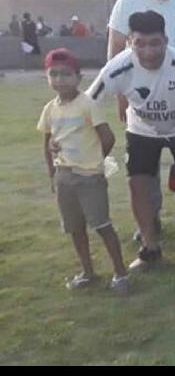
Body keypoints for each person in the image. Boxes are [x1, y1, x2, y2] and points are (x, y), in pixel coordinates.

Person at [87, 10, 175, 271]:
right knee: (137, 184)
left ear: (166, 41)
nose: (148, 51)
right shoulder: (117, 67)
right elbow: (87, 104)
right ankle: (150, 246)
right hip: (141, 130)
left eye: (155, 43)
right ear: (130, 41)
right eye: (139, 43)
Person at [107, 0, 175, 237]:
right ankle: (150, 221)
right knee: (144, 166)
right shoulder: (127, 2)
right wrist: (120, 94)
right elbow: (115, 46)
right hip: (141, 96)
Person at [37, 48, 129, 292]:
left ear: (78, 77)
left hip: (89, 177)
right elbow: (48, 142)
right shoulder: (50, 109)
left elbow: (107, 138)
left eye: (66, 74)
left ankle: (121, 273)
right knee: (75, 228)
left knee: (101, 225)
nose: (59, 80)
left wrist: (95, 162)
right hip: (64, 176)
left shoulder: (87, 104)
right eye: (53, 74)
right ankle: (88, 272)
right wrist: (52, 174)